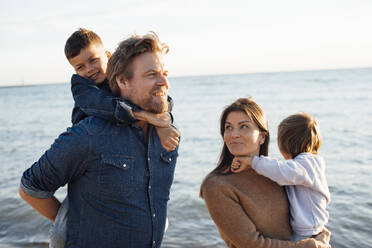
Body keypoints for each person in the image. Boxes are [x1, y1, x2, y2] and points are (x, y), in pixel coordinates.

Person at [19, 32, 179, 248]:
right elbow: (30, 187)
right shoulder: (88, 130)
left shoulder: (167, 134)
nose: (164, 82)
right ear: (122, 80)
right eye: (152, 74)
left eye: (165, 73)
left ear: (107, 57)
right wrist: (75, 225)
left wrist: (163, 122)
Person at [200, 98, 331, 248]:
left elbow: (306, 207)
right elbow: (252, 244)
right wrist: (312, 245)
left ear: (262, 136)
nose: (233, 134)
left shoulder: (276, 173)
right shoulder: (217, 186)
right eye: (228, 127)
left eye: (243, 126)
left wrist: (320, 233)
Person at [230, 112, 330, 241]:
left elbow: (281, 172)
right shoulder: (303, 165)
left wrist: (252, 161)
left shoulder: (307, 164)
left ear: (285, 144)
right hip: (308, 228)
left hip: (308, 230)